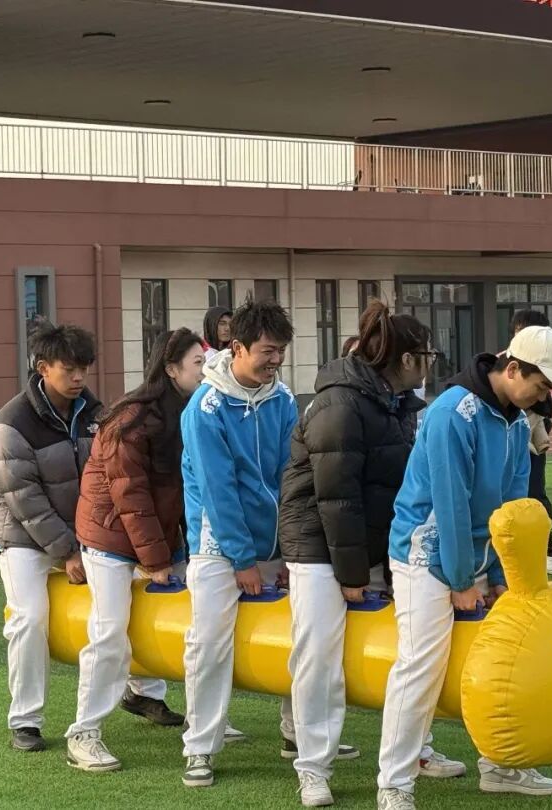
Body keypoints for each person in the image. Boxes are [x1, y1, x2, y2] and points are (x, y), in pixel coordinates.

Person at [376, 326, 552, 809]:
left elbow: (513, 505)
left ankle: (501, 764)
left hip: (478, 556)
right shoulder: (453, 412)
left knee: (504, 662)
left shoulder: (517, 421)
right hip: (425, 552)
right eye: (542, 384)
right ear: (512, 369)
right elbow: (449, 500)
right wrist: (462, 578)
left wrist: (500, 574)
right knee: (420, 665)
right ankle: (394, 782)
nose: (545, 396)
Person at [180, 299, 350, 788]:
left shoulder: (281, 400)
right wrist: (241, 559)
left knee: (300, 633)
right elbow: (217, 489)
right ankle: (200, 746)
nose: (276, 360)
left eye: (281, 351)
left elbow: (289, 474)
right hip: (217, 545)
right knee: (209, 644)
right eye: (267, 351)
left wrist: (289, 546)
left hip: (277, 539)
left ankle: (296, 730)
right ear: (237, 347)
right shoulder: (205, 407)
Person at [279, 303, 441, 808]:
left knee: (412, 647)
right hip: (316, 542)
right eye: (428, 355)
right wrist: (352, 574)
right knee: (318, 654)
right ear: (408, 359)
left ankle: (418, 751)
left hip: (363, 539)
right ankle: (312, 767)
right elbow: (337, 497)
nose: (430, 364)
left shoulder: (395, 403)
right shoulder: (341, 404)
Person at [65, 328, 205, 772]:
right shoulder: (130, 419)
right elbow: (131, 495)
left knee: (195, 623)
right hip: (109, 535)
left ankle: (199, 718)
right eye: (198, 363)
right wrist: (157, 561)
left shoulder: (195, 410)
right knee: (109, 632)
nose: (206, 370)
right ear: (171, 369)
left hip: (159, 532)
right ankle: (84, 733)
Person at [0, 324, 99, 752]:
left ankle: (144, 692)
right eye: (69, 369)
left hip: (79, 529)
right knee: (29, 617)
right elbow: (24, 500)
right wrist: (68, 551)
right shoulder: (11, 424)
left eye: (84, 368)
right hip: (21, 535)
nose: (78, 377)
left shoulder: (93, 412)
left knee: (127, 595)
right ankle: (25, 719)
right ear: (42, 368)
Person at [508, 309, 552, 575]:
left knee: (535, 490)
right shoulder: (505, 362)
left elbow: (545, 404)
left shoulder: (549, 364)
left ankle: (550, 550)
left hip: (533, 429)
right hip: (508, 431)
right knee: (508, 493)